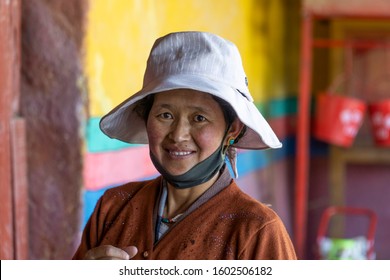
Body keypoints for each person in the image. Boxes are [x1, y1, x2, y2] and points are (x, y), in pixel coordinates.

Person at [73, 31, 297, 260]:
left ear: (232, 130)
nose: (178, 135)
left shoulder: (257, 232)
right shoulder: (113, 206)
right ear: (146, 117)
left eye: (199, 118)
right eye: (165, 115)